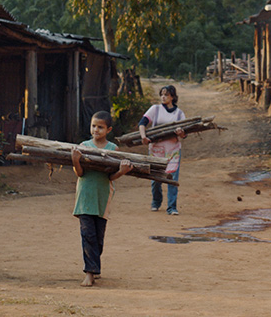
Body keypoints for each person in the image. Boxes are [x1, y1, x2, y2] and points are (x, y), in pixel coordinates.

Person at [71, 111, 132, 287]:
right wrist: (76, 161)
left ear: (108, 129)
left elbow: (111, 177)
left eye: (100, 127)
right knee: (87, 234)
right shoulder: (83, 146)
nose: (96, 130)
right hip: (85, 197)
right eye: (93, 126)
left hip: (102, 198)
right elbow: (80, 174)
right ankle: (89, 273)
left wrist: (122, 170)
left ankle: (94, 267)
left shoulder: (113, 149)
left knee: (98, 238)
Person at [139, 85, 186, 215]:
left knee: (172, 178)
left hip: (173, 150)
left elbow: (184, 134)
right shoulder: (155, 109)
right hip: (156, 150)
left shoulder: (179, 113)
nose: (163, 97)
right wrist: (143, 137)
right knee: (156, 179)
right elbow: (142, 123)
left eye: (166, 94)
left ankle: (172, 207)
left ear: (173, 96)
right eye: (162, 94)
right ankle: (156, 201)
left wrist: (180, 132)